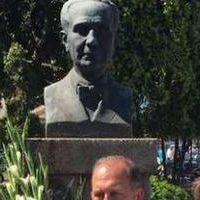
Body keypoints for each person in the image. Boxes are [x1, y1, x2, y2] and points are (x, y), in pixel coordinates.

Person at [44, 0, 133, 138]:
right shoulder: (52, 97)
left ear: (115, 41)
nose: (92, 40)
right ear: (65, 40)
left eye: (102, 31)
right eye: (82, 30)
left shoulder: (124, 98)